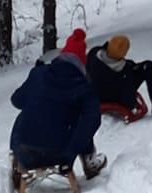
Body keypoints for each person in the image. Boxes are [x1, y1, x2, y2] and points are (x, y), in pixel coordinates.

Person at [9, 27, 105, 180]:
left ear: (61, 55)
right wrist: (72, 151)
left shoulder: (38, 74)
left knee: (26, 114)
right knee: (83, 119)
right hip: (61, 156)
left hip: (25, 152)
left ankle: (15, 162)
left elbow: (17, 101)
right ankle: (89, 161)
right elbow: (93, 121)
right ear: (82, 63)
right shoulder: (85, 88)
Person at [87, 33, 152, 116]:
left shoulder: (93, 53)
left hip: (94, 92)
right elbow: (128, 100)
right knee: (148, 67)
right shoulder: (124, 74)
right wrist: (133, 104)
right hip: (113, 95)